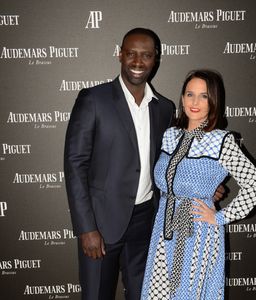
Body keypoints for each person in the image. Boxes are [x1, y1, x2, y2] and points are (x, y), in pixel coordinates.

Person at [64, 28, 224, 300]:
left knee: (145, 295)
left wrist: (205, 186)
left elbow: (172, 160)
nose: (138, 62)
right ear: (120, 55)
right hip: (101, 224)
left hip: (148, 223)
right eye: (131, 54)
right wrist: (86, 228)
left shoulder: (164, 108)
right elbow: (75, 164)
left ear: (155, 59)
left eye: (146, 55)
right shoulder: (93, 100)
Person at [141, 69, 256, 300]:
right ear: (182, 98)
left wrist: (219, 217)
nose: (195, 102)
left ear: (214, 101)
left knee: (185, 294)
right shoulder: (170, 135)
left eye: (204, 96)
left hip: (194, 231)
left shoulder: (221, 140)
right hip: (163, 227)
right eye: (190, 94)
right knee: (158, 293)